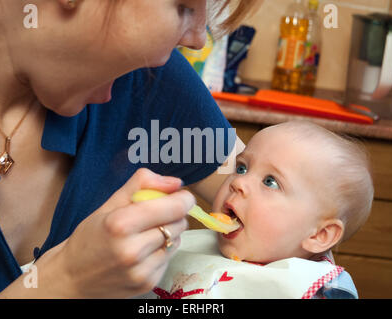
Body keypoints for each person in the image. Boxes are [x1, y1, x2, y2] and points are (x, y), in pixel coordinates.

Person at [0, 0, 262, 298]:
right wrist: (67, 280)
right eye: (183, 7)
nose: (197, 38)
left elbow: (283, 200)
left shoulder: (147, 80)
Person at [141, 121, 374, 299]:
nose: (237, 182)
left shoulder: (309, 288)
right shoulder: (195, 247)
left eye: (270, 182)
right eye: (241, 168)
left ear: (318, 235)